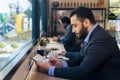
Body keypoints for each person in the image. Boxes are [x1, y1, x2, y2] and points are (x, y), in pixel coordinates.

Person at [35, 7, 120, 80]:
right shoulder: (95, 35)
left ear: (86, 22)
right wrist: (62, 64)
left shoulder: (101, 40)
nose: (72, 31)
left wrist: (49, 69)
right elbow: (82, 59)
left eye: (75, 26)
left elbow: (81, 72)